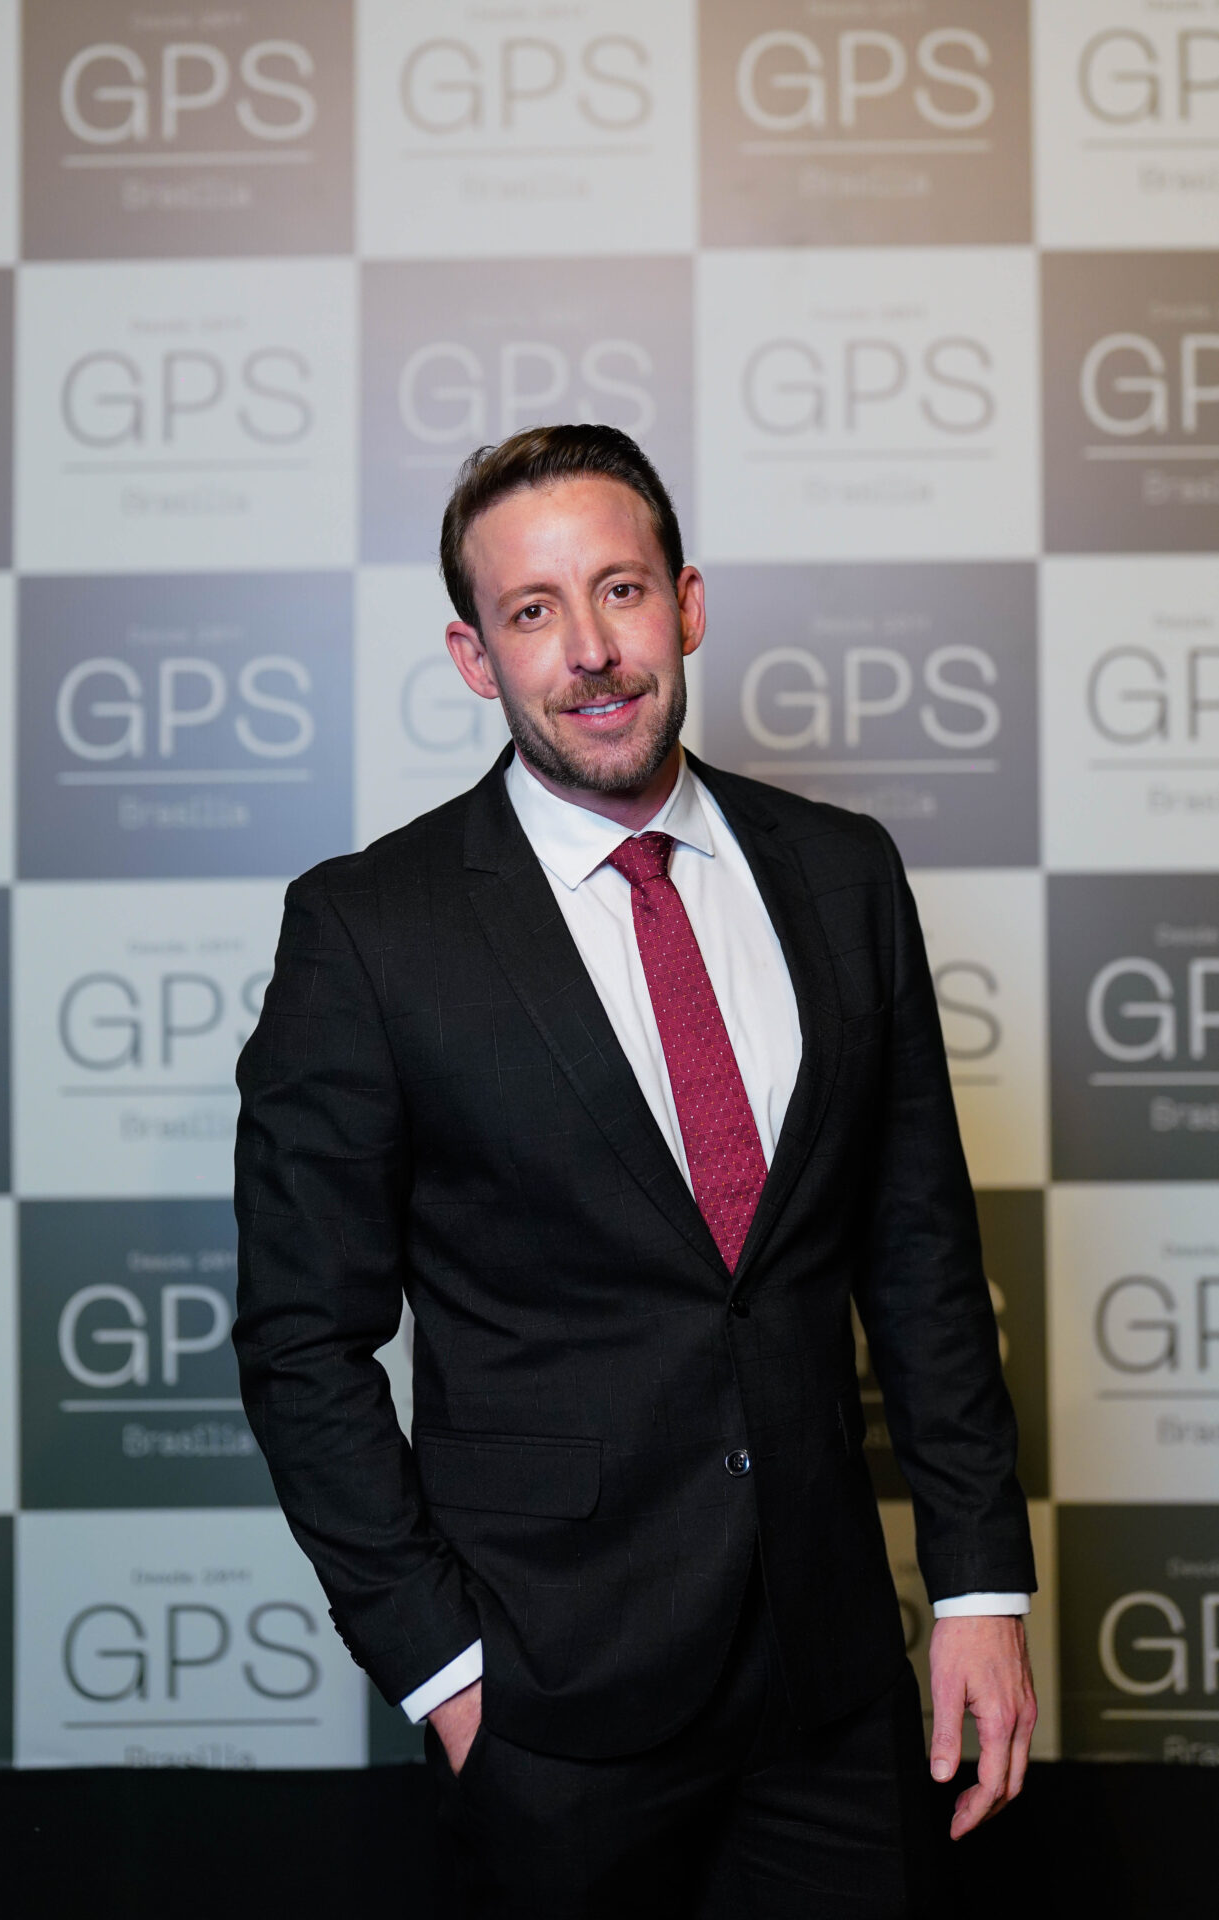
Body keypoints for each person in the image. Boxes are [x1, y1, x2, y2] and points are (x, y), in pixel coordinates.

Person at [233, 424, 1036, 1917]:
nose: (591, 650)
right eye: (533, 611)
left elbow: (918, 1251)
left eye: (620, 590)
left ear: (688, 604)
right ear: (475, 657)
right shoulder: (369, 930)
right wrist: (445, 1672)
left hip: (831, 1680)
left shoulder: (844, 872)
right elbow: (300, 1342)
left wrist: (979, 1588)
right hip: (547, 1698)